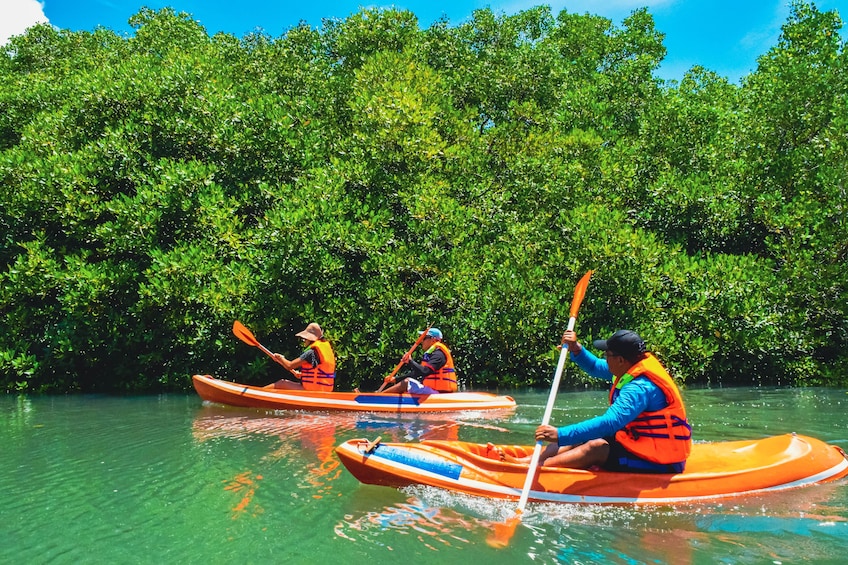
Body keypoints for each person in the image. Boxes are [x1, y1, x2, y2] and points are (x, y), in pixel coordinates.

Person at [497, 329, 691, 473]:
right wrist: (577, 349)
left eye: (607, 355)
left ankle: (539, 469)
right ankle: (528, 462)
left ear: (621, 360)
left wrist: (560, 433)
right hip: (638, 443)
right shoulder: (628, 367)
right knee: (584, 436)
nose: (604, 358)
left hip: (661, 461)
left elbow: (610, 423)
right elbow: (596, 367)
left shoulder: (640, 388)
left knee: (596, 446)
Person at [380, 327, 458, 394]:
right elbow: (417, 373)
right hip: (433, 391)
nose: (421, 341)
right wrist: (395, 379)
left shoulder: (439, 355)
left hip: (439, 393)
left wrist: (410, 361)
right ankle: (382, 396)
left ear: (433, 340)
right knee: (408, 384)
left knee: (408, 383)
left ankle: (379, 397)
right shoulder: (433, 354)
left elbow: (425, 371)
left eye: (424, 338)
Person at [266, 323, 336, 391]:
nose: (304, 341)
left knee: (281, 383)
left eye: (305, 339)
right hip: (324, 390)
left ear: (310, 339)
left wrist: (280, 358)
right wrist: (303, 375)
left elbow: (289, 366)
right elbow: (319, 372)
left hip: (312, 391)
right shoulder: (326, 349)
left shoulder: (311, 353)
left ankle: (258, 393)